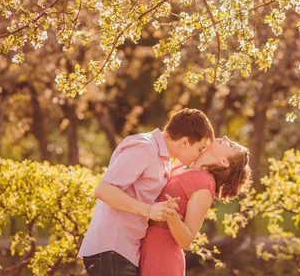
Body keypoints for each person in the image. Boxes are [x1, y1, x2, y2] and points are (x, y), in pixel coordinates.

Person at [78, 108, 215, 276]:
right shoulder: (144, 147)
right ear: (185, 142)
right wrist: (149, 210)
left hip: (126, 250)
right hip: (112, 248)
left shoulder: (163, 160)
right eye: (200, 149)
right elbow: (103, 190)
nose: (198, 156)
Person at [139, 135, 252, 276]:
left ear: (224, 161)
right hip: (140, 244)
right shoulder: (181, 165)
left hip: (162, 255)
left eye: (231, 145)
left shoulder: (204, 185)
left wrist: (172, 215)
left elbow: (186, 240)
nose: (226, 137)